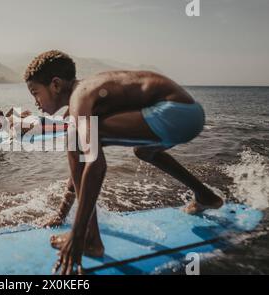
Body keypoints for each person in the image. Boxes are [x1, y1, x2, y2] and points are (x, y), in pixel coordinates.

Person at [24, 50, 224, 275]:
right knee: (143, 151)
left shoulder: (81, 96)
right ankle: (205, 196)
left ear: (56, 85)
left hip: (175, 112)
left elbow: (96, 165)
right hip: (190, 116)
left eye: (35, 93)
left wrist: (76, 235)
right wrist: (61, 215)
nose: (35, 102)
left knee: (74, 136)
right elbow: (80, 165)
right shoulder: (82, 99)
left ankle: (90, 240)